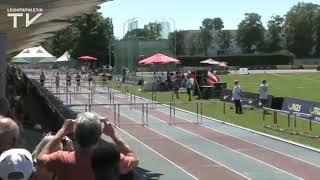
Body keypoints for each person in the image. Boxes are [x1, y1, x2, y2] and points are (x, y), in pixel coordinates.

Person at [36, 112, 138, 180]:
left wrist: (62, 131)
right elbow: (134, 160)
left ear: (75, 134)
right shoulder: (110, 160)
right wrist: (114, 135)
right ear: (99, 136)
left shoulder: (62, 159)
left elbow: (40, 158)